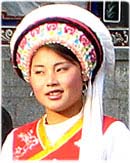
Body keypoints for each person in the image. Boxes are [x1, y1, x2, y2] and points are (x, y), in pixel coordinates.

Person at [1, 3, 130, 162]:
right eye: (40, 72)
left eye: (61, 69)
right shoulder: (15, 141)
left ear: (84, 72)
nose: (50, 81)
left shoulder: (112, 135)